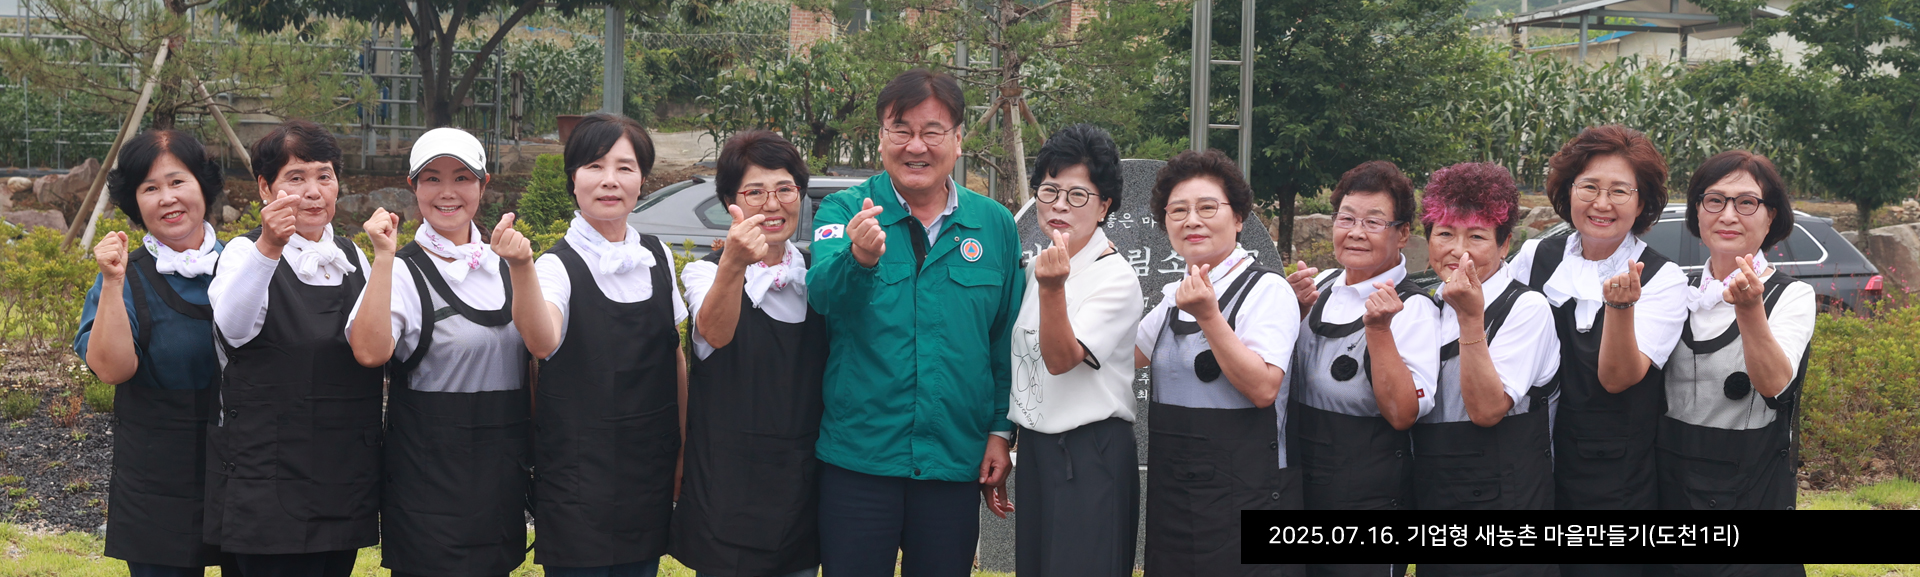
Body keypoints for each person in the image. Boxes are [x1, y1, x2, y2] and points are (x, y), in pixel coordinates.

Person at [805, 68, 1021, 577]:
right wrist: (858, 258)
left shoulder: (994, 224)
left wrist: (1000, 431)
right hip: (860, 459)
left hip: (953, 459)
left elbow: (1004, 340)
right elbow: (822, 296)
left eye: (932, 131)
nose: (916, 146)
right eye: (900, 130)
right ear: (882, 138)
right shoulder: (844, 210)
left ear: (958, 140)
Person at [497, 113, 686, 577]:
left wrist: (683, 449)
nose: (610, 180)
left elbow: (674, 356)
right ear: (573, 179)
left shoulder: (657, 256)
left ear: (642, 180)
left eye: (625, 167)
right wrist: (520, 267)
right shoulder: (554, 266)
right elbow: (543, 342)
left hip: (648, 471)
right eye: (595, 166)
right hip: (578, 480)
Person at [345, 128, 531, 577]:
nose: (448, 192)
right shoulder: (402, 271)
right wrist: (383, 258)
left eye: (462, 177)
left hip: (499, 484)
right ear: (413, 186)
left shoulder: (509, 265)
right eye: (432, 178)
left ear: (483, 185)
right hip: (428, 491)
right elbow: (369, 352)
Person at [1506, 126, 1688, 577]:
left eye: (1619, 191)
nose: (1601, 203)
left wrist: (1620, 307)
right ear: (1568, 191)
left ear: (1642, 204)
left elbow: (1619, 377)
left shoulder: (1663, 279)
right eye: (1588, 186)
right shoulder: (1535, 257)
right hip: (1531, 467)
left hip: (1614, 481)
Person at [205, 119, 379, 577]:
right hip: (268, 474)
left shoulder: (353, 258)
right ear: (266, 188)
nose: (313, 192)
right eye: (296, 178)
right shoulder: (244, 253)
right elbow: (232, 329)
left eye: (325, 176)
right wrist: (270, 246)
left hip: (341, 471)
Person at [75, 130, 234, 577]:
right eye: (150, 188)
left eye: (178, 181)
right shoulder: (125, 276)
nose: (167, 198)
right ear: (135, 202)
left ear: (203, 185)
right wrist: (111, 282)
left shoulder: (246, 264)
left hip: (244, 468)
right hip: (157, 479)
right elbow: (112, 369)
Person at [1134, 149, 1300, 577]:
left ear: (1238, 217)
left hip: (1247, 497)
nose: (1192, 220)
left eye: (1207, 207)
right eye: (1178, 210)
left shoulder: (1267, 290)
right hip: (1175, 497)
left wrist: (1209, 316)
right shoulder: (1175, 296)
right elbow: (1123, 358)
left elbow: (1263, 388)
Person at [669, 130, 825, 577]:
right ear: (729, 202)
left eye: (785, 189)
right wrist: (735, 263)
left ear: (801, 195)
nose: (772, 205)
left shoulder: (818, 276)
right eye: (754, 192)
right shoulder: (705, 273)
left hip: (800, 488)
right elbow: (715, 334)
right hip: (727, 489)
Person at [1409, 163, 1559, 577]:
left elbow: (1488, 409)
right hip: (1436, 501)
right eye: (1445, 234)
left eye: (1476, 236)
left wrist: (1471, 319)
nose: (1459, 251)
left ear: (1505, 243)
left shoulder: (1525, 308)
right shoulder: (1426, 304)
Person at [1006, 124, 1143, 577]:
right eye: (1049, 191)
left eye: (1078, 194)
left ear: (1105, 206)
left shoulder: (1115, 278)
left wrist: (1052, 290)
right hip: (1038, 450)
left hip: (1090, 453)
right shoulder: (1038, 268)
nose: (1060, 205)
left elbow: (1062, 360)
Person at [1659, 152, 1812, 516]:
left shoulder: (1790, 295)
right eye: (1714, 200)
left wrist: (1749, 308)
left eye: (1746, 203)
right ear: (1697, 212)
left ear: (1771, 215)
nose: (1728, 215)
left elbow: (1775, 384)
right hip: (1665, 484)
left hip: (1748, 488)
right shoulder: (1676, 289)